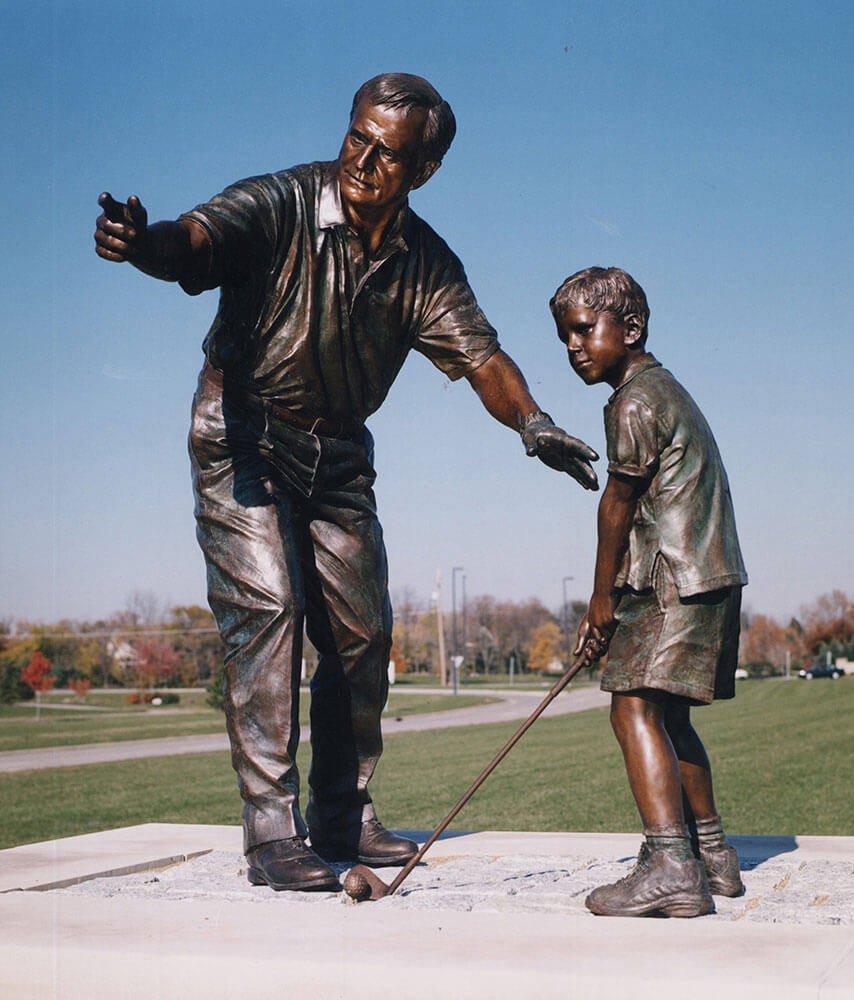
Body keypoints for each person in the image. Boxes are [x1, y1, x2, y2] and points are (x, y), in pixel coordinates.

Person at [94, 73, 600, 893]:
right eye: (357, 137)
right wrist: (143, 241)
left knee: (364, 633)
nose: (363, 160)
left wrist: (533, 423)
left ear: (422, 171)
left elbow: (482, 358)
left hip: (338, 456)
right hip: (243, 432)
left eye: (388, 152)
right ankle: (269, 830)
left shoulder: (425, 263)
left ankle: (341, 814)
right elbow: (196, 241)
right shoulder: (283, 201)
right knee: (267, 608)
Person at [550, 266, 748, 917]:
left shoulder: (634, 400)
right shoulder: (666, 390)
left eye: (583, 331)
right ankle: (710, 856)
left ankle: (670, 866)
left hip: (672, 581)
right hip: (705, 576)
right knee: (670, 716)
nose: (574, 347)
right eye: (565, 338)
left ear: (629, 328)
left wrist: (601, 598)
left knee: (631, 709)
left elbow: (618, 504)